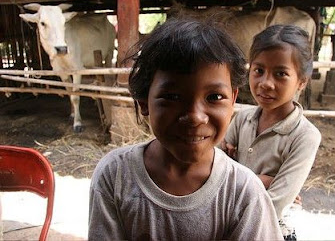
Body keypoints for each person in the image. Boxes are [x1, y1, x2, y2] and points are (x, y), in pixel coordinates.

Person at [88, 16, 283, 240]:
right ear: (144, 101)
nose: (194, 117)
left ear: (232, 101)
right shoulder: (115, 177)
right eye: (172, 97)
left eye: (215, 97)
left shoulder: (243, 193)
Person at [221, 24, 321, 240]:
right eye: (259, 70)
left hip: (269, 230)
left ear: (301, 82)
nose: (265, 83)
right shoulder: (242, 119)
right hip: (228, 222)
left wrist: (238, 179)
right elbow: (216, 172)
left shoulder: (304, 136)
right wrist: (261, 181)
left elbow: (275, 203)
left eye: (281, 74)